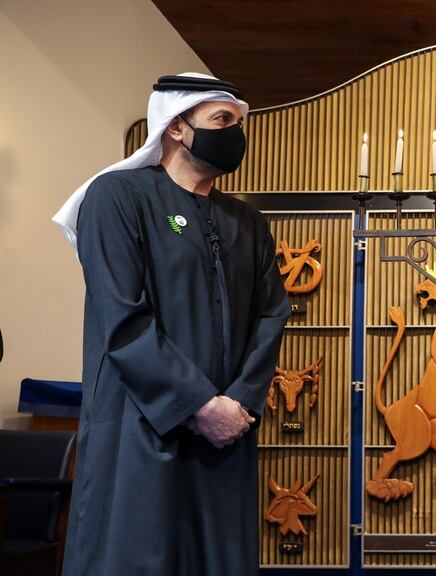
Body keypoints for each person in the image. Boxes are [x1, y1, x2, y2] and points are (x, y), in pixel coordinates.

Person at [53, 73, 290, 575]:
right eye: (222, 120)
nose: (235, 135)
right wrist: (199, 404)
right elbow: (122, 317)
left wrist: (239, 403)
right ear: (177, 126)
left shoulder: (247, 222)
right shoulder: (117, 196)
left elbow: (272, 312)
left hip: (226, 433)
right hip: (142, 425)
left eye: (238, 123)